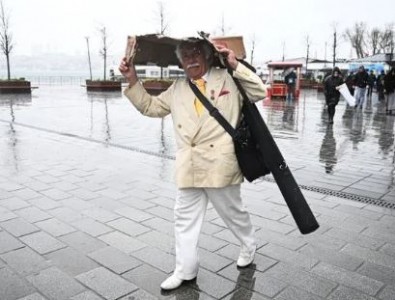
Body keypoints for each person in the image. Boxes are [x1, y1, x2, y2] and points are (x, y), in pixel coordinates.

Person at [119, 38, 267, 291]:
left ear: (208, 56)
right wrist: (132, 79)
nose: (191, 59)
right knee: (183, 219)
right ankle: (185, 270)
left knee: (233, 213)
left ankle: (248, 242)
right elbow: (151, 107)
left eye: (196, 53)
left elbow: (259, 92)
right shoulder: (178, 89)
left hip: (220, 164)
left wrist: (235, 64)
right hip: (189, 165)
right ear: (180, 61)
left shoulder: (226, 78)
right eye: (185, 55)